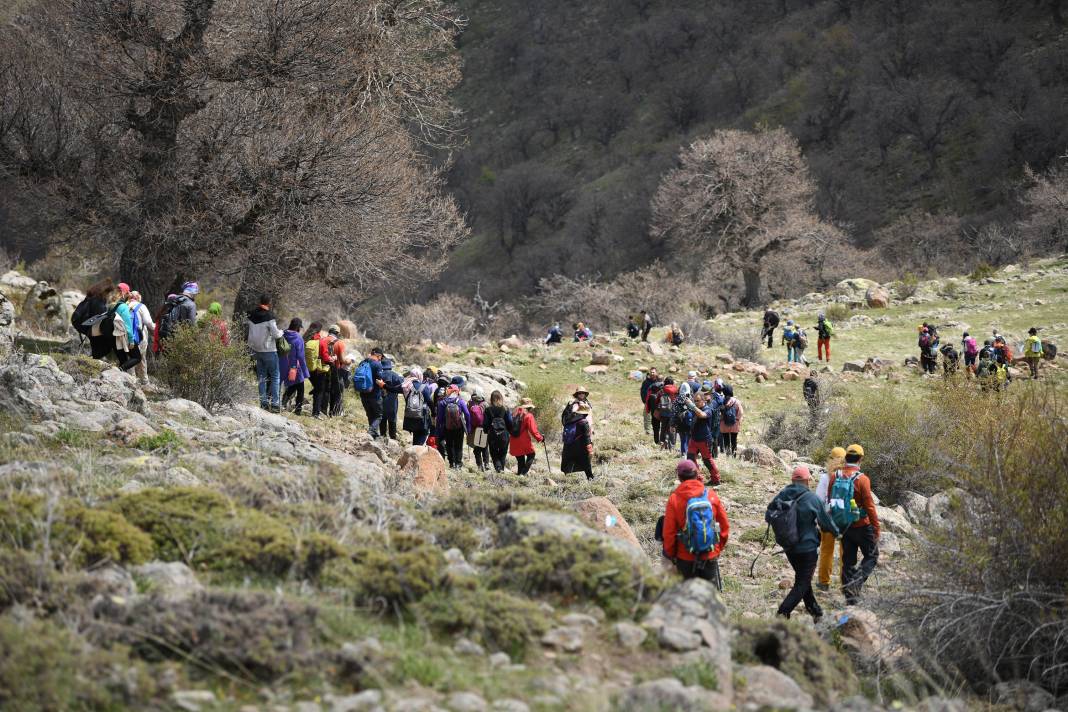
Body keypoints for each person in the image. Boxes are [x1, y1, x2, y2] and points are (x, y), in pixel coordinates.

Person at [766, 465, 838, 622]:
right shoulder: (812, 499)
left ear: (792, 480)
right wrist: (837, 532)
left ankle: (816, 612)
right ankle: (782, 613)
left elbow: (768, 515)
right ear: (807, 481)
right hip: (808, 549)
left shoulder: (782, 495)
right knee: (802, 582)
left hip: (789, 547)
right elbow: (825, 523)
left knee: (803, 579)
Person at [662, 459, 730, 584]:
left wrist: (671, 555)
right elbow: (724, 525)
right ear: (697, 474)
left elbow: (669, 533)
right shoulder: (710, 495)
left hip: (685, 557)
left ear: (679, 477)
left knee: (688, 598)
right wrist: (718, 548)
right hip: (709, 554)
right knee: (710, 598)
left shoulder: (674, 499)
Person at [828, 444, 879, 605]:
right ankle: (855, 584)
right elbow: (870, 506)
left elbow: (831, 499)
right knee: (872, 555)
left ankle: (850, 599)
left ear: (846, 457)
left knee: (848, 560)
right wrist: (876, 527)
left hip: (844, 524)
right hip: (862, 525)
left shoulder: (835, 476)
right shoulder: (862, 479)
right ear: (860, 459)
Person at [815, 446, 847, 592]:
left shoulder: (825, 477)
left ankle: (824, 582)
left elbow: (819, 500)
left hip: (828, 518)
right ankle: (845, 583)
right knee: (845, 552)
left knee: (827, 550)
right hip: (845, 519)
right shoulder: (850, 476)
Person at [246, 295, 284, 412]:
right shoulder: (269, 316)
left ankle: (263, 403)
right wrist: (282, 332)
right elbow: (276, 334)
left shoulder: (251, 314)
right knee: (275, 376)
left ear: (260, 301)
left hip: (255, 350)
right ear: (269, 303)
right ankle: (276, 404)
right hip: (269, 350)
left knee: (261, 377)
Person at [71, 280, 116, 359]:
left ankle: (93, 364)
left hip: (86, 326)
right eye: (109, 293)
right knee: (104, 348)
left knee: (97, 351)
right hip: (92, 329)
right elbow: (100, 316)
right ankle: (93, 365)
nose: (110, 295)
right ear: (105, 291)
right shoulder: (98, 302)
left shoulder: (91, 297)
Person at [686, 390, 720, 486]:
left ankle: (716, 479)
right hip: (694, 439)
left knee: (707, 460)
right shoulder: (695, 408)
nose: (696, 403)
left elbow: (702, 415)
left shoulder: (707, 409)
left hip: (704, 440)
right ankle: (697, 479)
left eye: (697, 401)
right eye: (694, 401)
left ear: (703, 401)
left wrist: (692, 405)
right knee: (690, 459)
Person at [435, 384, 471, 468]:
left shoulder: (442, 402)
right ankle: (458, 464)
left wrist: (438, 430)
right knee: (458, 445)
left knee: (449, 445)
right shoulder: (461, 401)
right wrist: (468, 428)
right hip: (459, 427)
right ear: (456, 391)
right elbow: (467, 414)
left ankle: (451, 463)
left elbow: (439, 418)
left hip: (447, 427)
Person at [354, 347, 387, 437]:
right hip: (374, 394)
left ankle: (373, 434)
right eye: (381, 357)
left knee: (370, 414)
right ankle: (371, 431)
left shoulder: (363, 362)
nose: (381, 359)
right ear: (378, 355)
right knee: (379, 415)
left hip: (363, 392)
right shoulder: (377, 365)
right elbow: (380, 380)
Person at [279, 318, 309, 415]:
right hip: (294, 367)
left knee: (290, 385)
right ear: (298, 327)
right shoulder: (298, 338)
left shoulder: (282, 334)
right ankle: (298, 410)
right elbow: (300, 356)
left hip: (282, 364)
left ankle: (281, 403)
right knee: (300, 387)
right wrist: (305, 371)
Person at [126, 291, 155, 385]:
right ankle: (144, 381)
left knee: (130, 357)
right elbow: (148, 322)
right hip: (139, 337)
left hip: (125, 336)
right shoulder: (141, 306)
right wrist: (156, 328)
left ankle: (131, 380)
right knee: (141, 358)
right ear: (138, 298)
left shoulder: (124, 306)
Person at [561, 401, 595, 479]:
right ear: (586, 413)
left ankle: (567, 480)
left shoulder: (572, 421)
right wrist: (590, 450)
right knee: (586, 463)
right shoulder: (584, 422)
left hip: (570, 445)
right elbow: (587, 437)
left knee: (570, 461)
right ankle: (591, 479)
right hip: (580, 447)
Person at [509, 397, 543, 475]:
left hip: (513, 440)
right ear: (529, 407)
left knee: (520, 459)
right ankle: (523, 474)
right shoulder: (528, 415)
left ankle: (520, 476)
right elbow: (533, 430)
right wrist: (540, 438)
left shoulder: (514, 412)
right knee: (531, 455)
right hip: (523, 440)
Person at [111, 283, 141, 372]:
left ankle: (117, 375)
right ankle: (120, 370)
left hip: (113, 336)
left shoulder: (111, 305)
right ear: (125, 293)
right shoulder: (123, 307)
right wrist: (131, 340)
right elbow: (127, 326)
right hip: (123, 337)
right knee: (137, 357)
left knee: (123, 360)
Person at [484, 390, 514, 472]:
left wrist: (486, 431)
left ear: (491, 399)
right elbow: (510, 422)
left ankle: (498, 468)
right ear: (501, 398)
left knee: (493, 453)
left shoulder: (488, 410)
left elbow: (485, 424)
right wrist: (510, 431)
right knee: (503, 453)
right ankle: (501, 469)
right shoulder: (505, 409)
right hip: (504, 435)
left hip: (492, 435)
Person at [303, 322, 329, 419]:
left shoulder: (304, 339)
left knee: (315, 388)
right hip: (318, 369)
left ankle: (284, 404)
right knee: (319, 390)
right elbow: (325, 357)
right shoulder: (321, 341)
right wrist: (331, 359)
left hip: (306, 368)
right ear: (319, 330)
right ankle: (316, 413)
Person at [320, 325, 347, 417]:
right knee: (336, 391)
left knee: (324, 389)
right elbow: (343, 360)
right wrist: (350, 361)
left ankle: (322, 410)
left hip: (322, 369)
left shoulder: (322, 340)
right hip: (335, 369)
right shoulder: (340, 343)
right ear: (338, 333)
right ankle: (333, 412)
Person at [401, 366, 431, 445]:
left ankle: (414, 450)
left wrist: (383, 385)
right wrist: (434, 413)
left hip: (410, 415)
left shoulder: (406, 386)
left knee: (415, 435)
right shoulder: (424, 387)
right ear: (419, 375)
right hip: (422, 416)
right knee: (422, 435)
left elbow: (393, 388)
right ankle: (417, 453)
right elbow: (429, 401)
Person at [378, 358, 405, 439]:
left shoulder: (379, 374)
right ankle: (392, 437)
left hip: (380, 401)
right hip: (392, 402)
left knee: (382, 418)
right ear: (390, 366)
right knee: (392, 419)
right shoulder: (395, 375)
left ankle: (382, 436)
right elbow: (402, 386)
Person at [718, 384, 742, 457]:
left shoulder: (721, 401)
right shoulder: (736, 402)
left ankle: (728, 455)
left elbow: (719, 413)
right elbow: (741, 412)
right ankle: (734, 455)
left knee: (726, 440)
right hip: (734, 424)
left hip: (724, 424)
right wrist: (737, 420)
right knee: (734, 440)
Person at [468, 393, 489, 471]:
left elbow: (470, 419)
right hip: (484, 428)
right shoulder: (486, 405)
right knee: (484, 447)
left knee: (477, 449)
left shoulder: (472, 406)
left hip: (475, 429)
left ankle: (479, 466)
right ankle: (486, 463)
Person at [656, 378, 678, 450]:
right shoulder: (676, 390)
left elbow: (657, 401)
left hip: (663, 413)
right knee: (672, 428)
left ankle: (662, 442)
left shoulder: (661, 391)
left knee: (663, 428)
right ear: (672, 383)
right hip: (673, 413)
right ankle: (672, 444)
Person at [640, 368, 660, 435]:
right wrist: (645, 400)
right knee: (647, 416)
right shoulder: (646, 382)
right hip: (648, 402)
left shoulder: (659, 381)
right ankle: (648, 431)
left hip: (657, 402)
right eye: (651, 372)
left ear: (656, 373)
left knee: (657, 417)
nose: (652, 373)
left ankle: (656, 431)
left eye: (653, 372)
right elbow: (642, 392)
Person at [646, 379, 665, 445]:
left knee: (655, 428)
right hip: (663, 414)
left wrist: (648, 411)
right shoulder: (663, 395)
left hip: (654, 414)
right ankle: (663, 441)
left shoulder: (651, 396)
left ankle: (656, 441)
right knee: (663, 428)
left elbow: (648, 405)